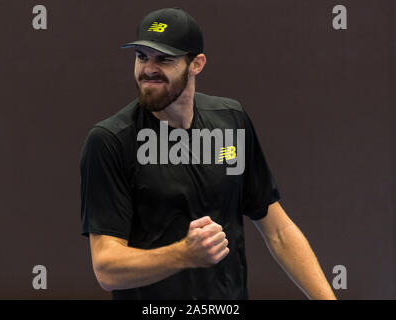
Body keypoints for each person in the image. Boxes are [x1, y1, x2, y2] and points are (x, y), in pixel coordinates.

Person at [80, 7, 336, 300]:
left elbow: (278, 232)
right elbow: (106, 268)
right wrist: (184, 254)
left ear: (196, 64)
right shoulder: (110, 141)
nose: (148, 69)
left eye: (164, 58)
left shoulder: (231, 121)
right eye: (141, 56)